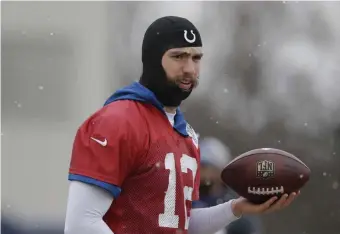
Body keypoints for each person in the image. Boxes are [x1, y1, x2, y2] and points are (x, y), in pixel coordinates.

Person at [64, 16, 298, 234]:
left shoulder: (185, 133)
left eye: (196, 58)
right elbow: (81, 224)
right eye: (178, 57)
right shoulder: (116, 121)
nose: (189, 68)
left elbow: (180, 223)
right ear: (154, 60)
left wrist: (235, 208)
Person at [193, 137, 264, 234]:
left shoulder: (239, 207)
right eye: (198, 166)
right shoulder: (184, 199)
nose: (201, 172)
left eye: (206, 167)